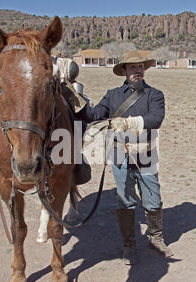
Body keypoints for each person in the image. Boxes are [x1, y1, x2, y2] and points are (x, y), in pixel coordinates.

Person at [75, 51, 173, 265]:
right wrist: (77, 100)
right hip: (119, 154)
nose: (137, 71)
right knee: (125, 200)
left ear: (144, 70)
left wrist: (127, 123)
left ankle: (156, 238)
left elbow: (155, 119)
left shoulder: (154, 95)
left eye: (140, 67)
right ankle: (129, 243)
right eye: (132, 67)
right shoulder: (112, 95)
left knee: (153, 199)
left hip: (145, 154)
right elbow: (94, 115)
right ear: (124, 71)